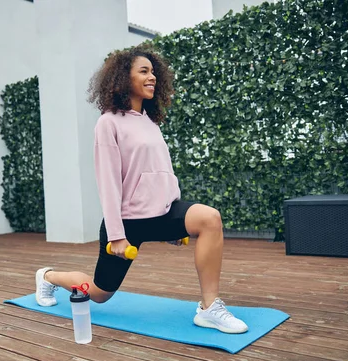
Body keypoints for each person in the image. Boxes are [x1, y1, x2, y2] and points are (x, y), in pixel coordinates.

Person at [35, 46, 248, 334]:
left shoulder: (150, 122)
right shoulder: (108, 122)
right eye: (144, 71)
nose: (152, 78)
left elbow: (162, 174)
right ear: (124, 78)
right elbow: (108, 182)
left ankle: (210, 308)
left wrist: (177, 225)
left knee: (210, 218)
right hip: (127, 223)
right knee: (99, 293)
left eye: (154, 72)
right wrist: (117, 235)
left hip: (162, 213)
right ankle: (48, 276)